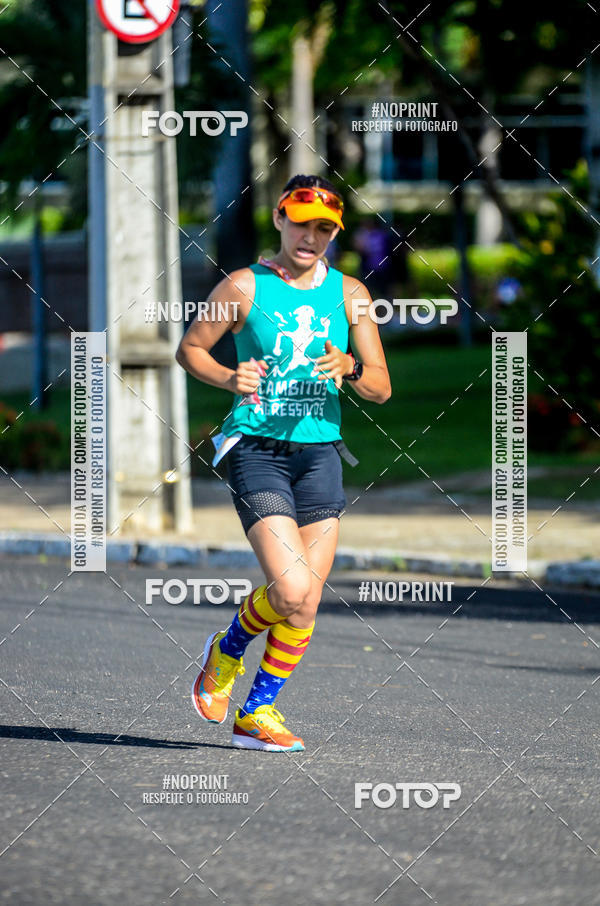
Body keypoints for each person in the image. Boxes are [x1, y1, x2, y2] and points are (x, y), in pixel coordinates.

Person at [176, 174, 391, 752]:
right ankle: (226, 652)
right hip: (257, 449)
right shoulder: (243, 287)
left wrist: (349, 367)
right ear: (279, 218)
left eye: (324, 229)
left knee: (307, 600)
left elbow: (381, 387)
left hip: (320, 452)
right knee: (291, 587)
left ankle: (257, 711)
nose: (311, 236)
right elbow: (190, 348)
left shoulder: (351, 295)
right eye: (302, 223)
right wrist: (228, 376)